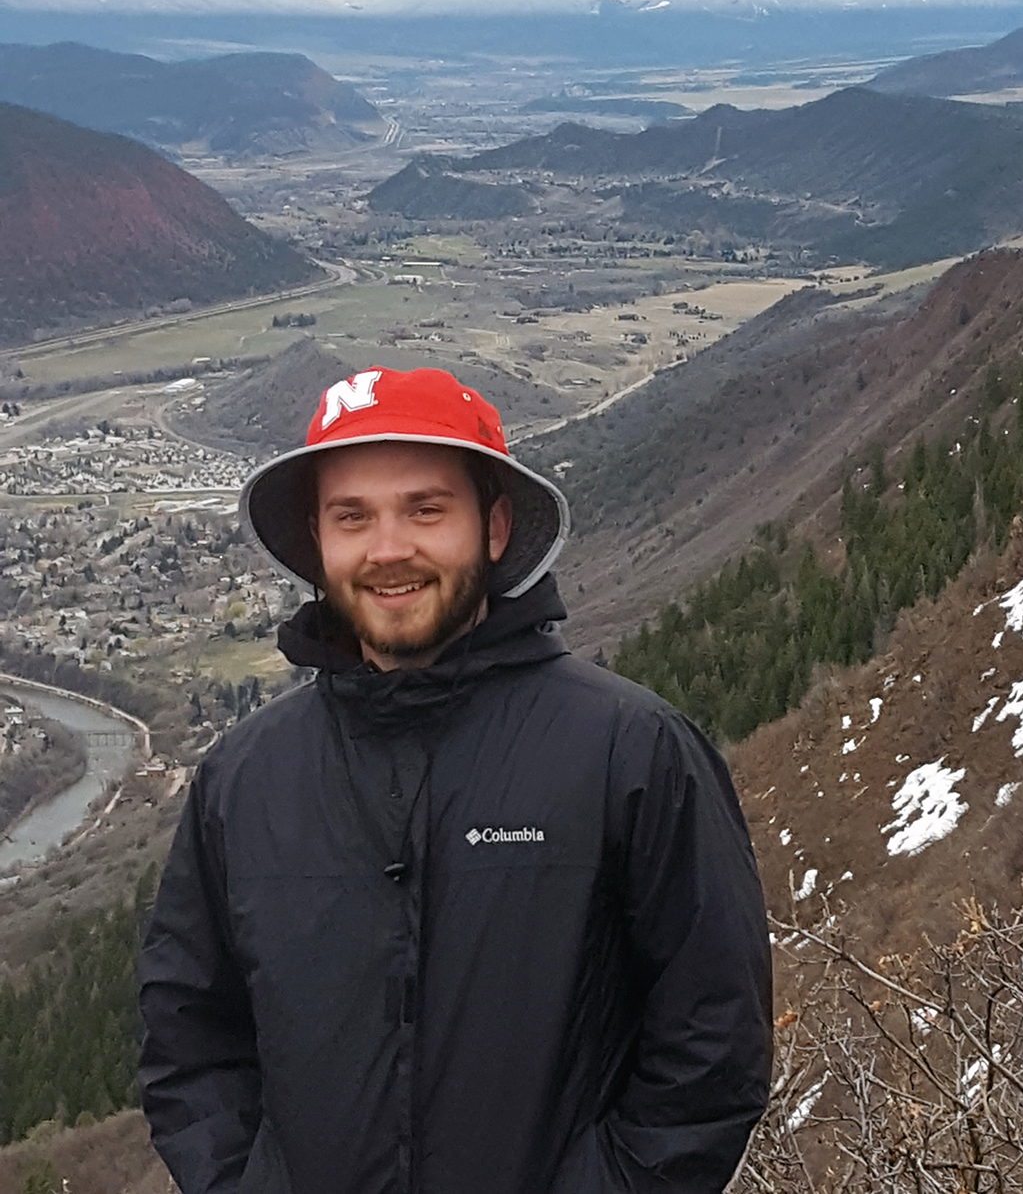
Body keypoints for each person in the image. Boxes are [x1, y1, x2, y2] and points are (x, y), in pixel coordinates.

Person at [138, 366, 772, 1194]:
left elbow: (713, 1044)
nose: (389, 548)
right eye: (352, 516)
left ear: (495, 526)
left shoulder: (632, 753)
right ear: (318, 539)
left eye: (426, 509)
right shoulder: (244, 779)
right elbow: (188, 1038)